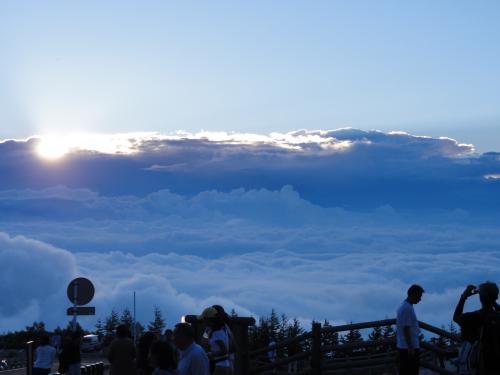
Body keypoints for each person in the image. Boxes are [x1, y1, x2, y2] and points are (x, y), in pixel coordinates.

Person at [453, 282, 500, 375]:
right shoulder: (498, 317)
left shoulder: (474, 317)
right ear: (496, 297)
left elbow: (456, 317)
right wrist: (492, 300)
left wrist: (463, 297)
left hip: (482, 367)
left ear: (480, 299)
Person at [396, 284, 424, 375]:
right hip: (408, 347)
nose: (420, 299)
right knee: (411, 371)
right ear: (413, 295)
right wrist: (410, 347)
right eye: (419, 296)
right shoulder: (407, 308)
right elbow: (406, 328)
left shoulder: (406, 306)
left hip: (405, 346)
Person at [198, 307, 231, 375]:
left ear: (208, 319)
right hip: (223, 365)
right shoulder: (221, 329)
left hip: (220, 366)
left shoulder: (216, 333)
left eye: (204, 319)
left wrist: (210, 354)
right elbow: (203, 341)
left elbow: (224, 350)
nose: (203, 321)